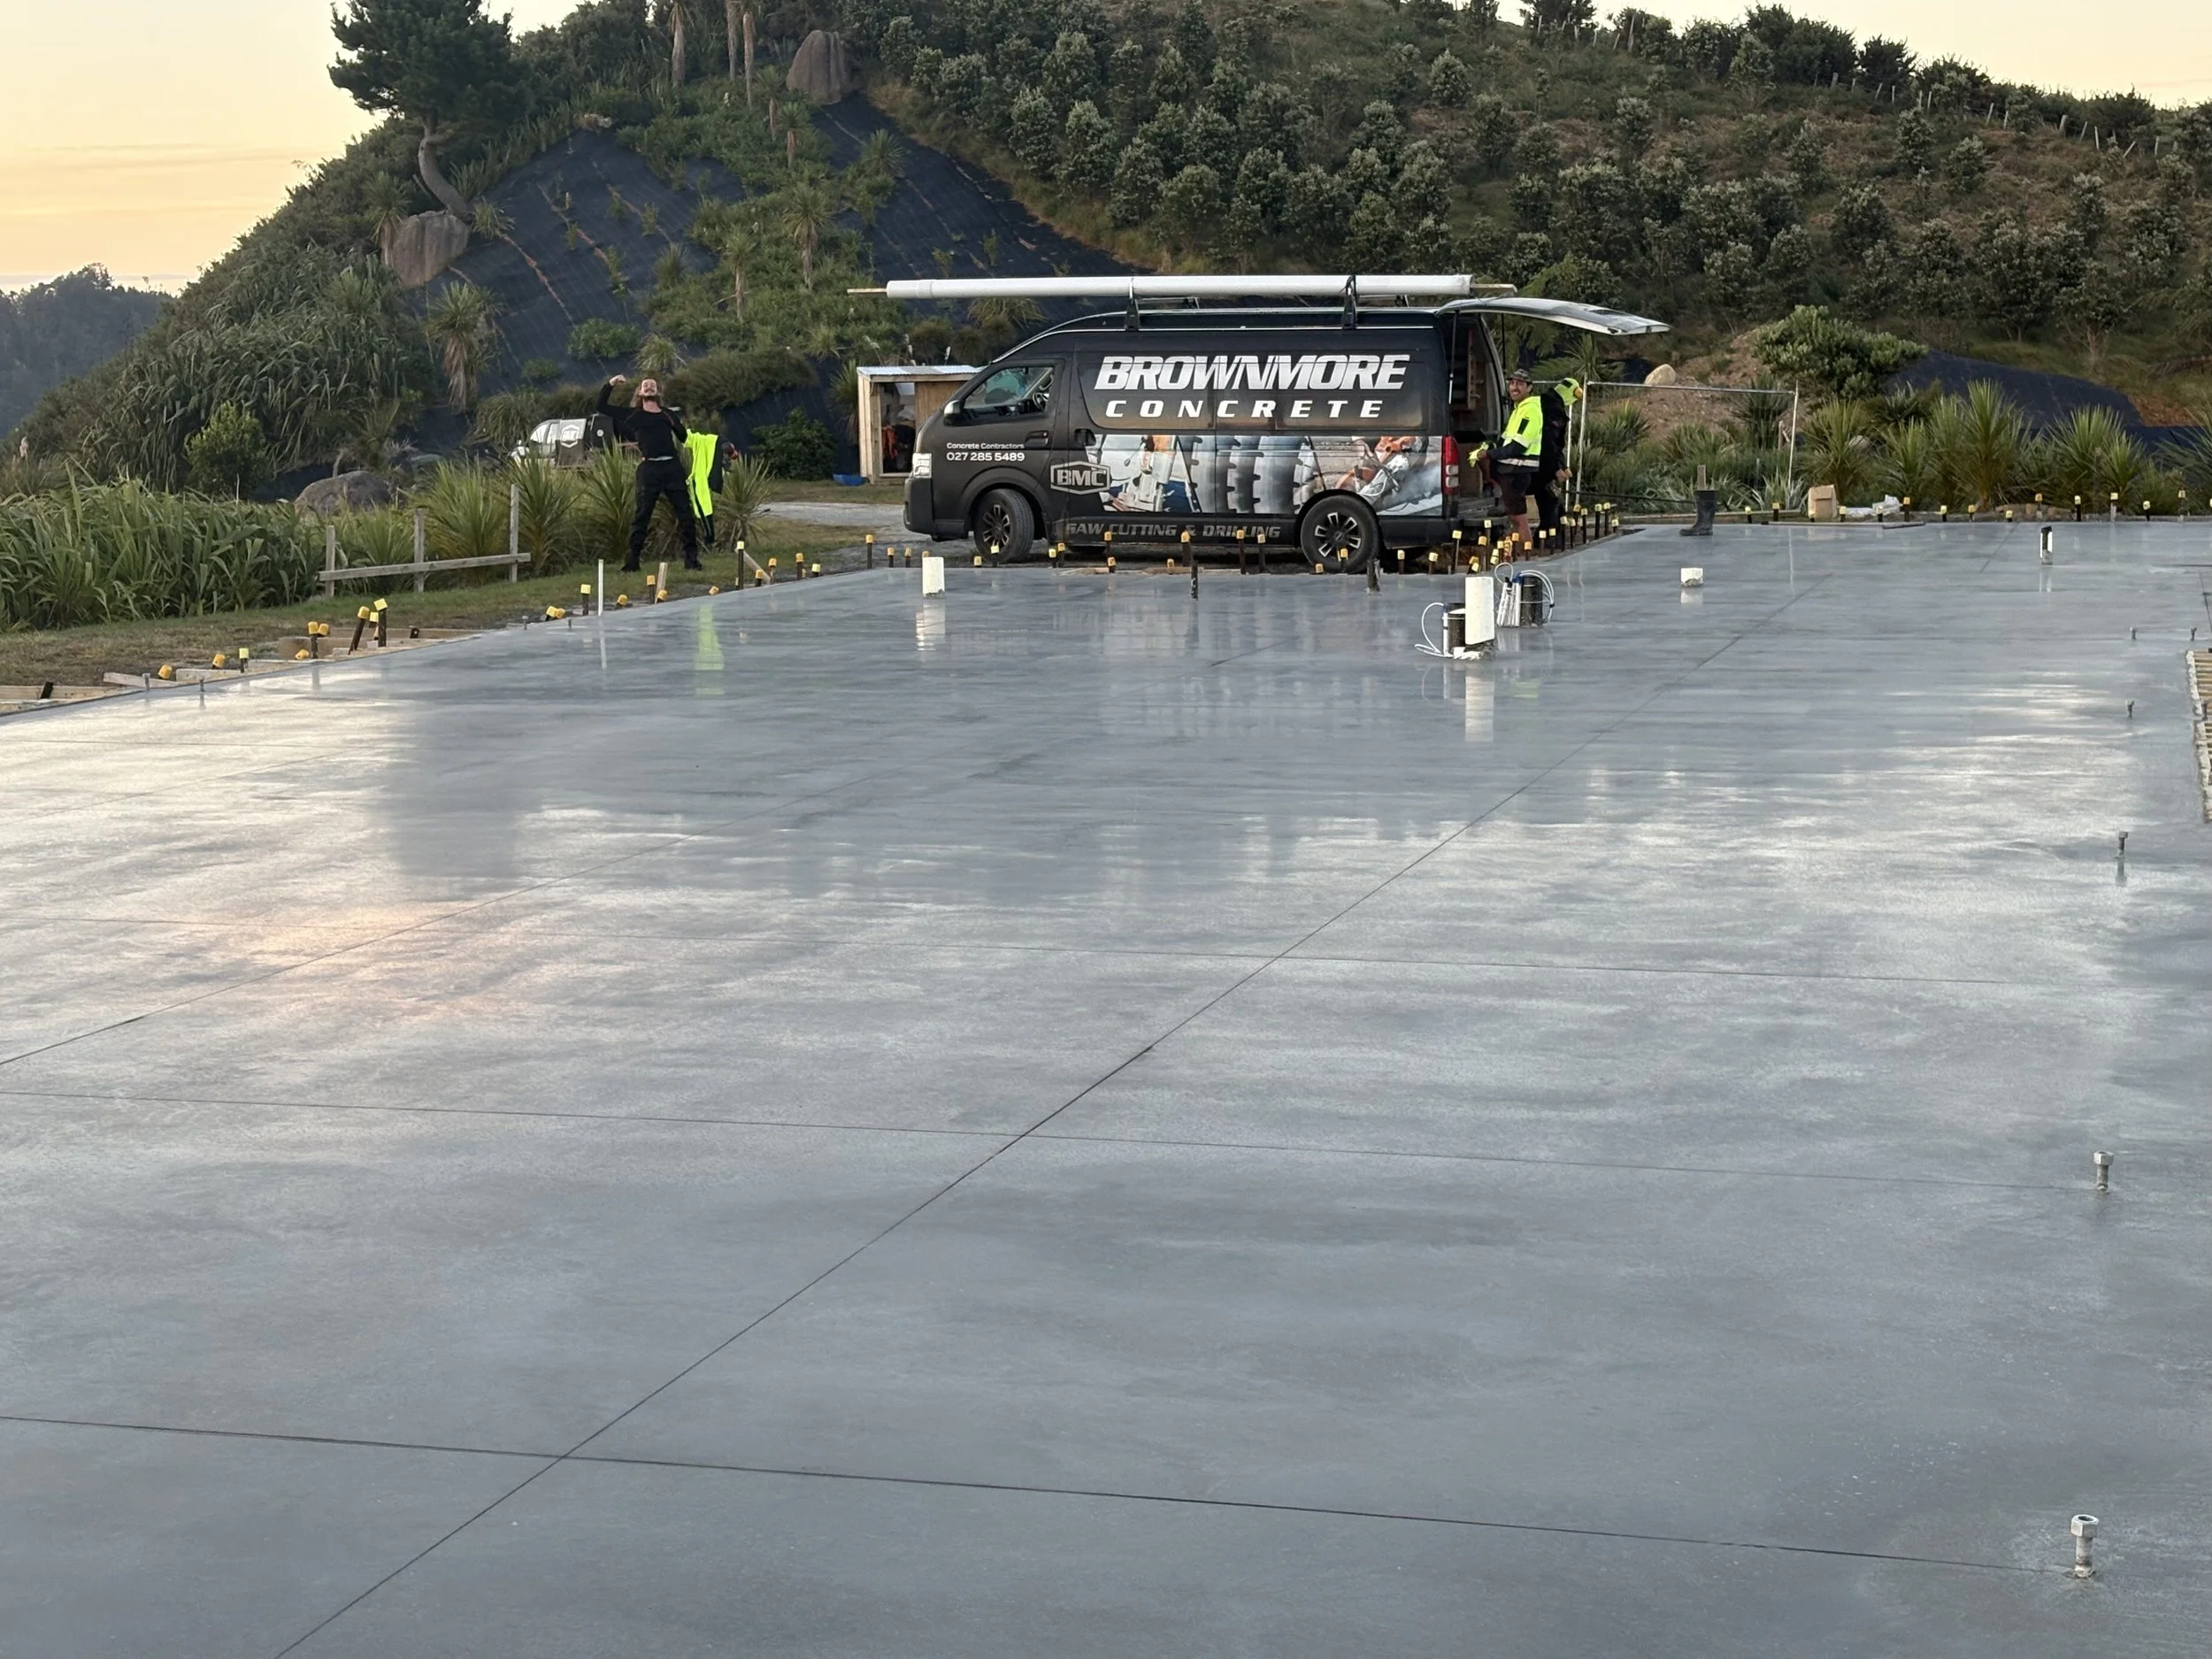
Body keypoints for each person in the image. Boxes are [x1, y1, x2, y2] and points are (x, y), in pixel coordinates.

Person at [596, 374, 698, 571]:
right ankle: (632, 562)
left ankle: (692, 560)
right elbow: (601, 406)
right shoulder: (633, 415)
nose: (649, 387)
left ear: (657, 392)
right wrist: (610, 384)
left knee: (685, 513)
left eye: (653, 385)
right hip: (649, 469)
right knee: (642, 515)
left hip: (672, 467)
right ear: (640, 393)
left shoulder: (667, 415)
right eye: (645, 386)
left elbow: (686, 438)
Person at [1479, 368, 1545, 553]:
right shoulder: (1519, 410)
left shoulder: (1530, 411)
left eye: (1520, 384)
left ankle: (1527, 554)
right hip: (1510, 470)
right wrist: (1489, 448)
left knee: (1519, 517)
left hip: (1518, 470)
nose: (1514, 387)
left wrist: (1490, 455)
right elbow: (1505, 440)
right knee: (1514, 515)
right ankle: (1519, 551)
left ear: (1529, 388)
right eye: (1512, 383)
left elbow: (1518, 447)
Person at [1533, 375, 1580, 538]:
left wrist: (1563, 465)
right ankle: (1547, 538)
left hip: (1534, 460)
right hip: (1545, 465)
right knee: (1549, 500)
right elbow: (1550, 443)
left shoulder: (1543, 402)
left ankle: (1553, 533)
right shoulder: (1555, 412)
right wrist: (1557, 468)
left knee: (1552, 501)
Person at [683, 425, 727, 549]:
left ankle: (708, 539)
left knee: (702, 508)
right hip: (703, 482)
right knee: (704, 508)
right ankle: (708, 539)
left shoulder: (698, 441)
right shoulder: (711, 441)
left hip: (700, 481)